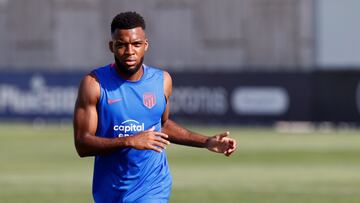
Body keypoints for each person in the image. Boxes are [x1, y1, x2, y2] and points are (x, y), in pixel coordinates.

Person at [73, 11, 237, 203]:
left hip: (153, 187)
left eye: (136, 44)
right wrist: (129, 141)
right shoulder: (94, 84)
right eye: (121, 45)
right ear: (112, 46)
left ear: (145, 45)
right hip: (110, 192)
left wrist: (206, 142)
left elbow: (162, 124)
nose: (129, 52)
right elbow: (82, 144)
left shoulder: (162, 81)